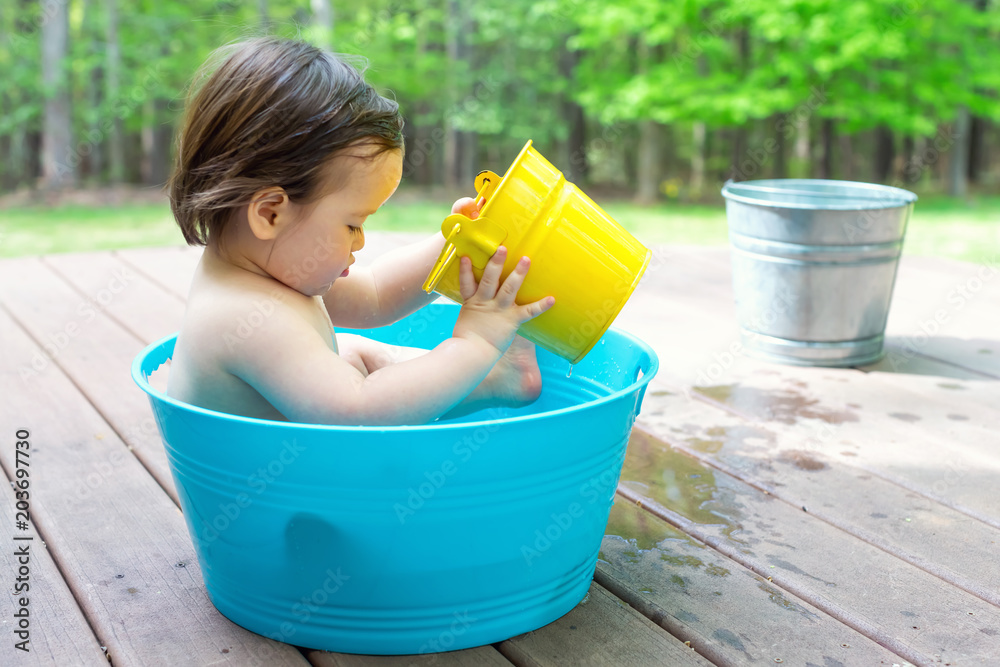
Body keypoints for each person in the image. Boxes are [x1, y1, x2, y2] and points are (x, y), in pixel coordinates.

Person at [165, 37, 554, 426]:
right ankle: (488, 373)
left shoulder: (271, 266)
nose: (361, 240)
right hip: (268, 483)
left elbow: (376, 295)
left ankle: (502, 378)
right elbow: (361, 410)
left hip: (298, 456)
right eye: (353, 224)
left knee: (351, 355)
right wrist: (477, 342)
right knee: (355, 381)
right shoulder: (247, 317)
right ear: (269, 214)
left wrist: (454, 245)